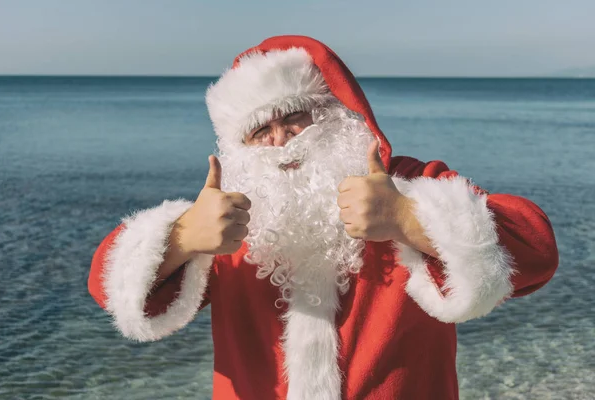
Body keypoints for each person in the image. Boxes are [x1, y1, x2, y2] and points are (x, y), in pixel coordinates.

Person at [88, 35, 559, 400]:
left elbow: (536, 252)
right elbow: (107, 286)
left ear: (334, 114)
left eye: (295, 117)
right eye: (260, 130)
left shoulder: (408, 183)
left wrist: (408, 218)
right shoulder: (229, 217)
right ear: (239, 148)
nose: (282, 139)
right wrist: (182, 238)